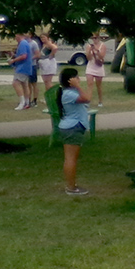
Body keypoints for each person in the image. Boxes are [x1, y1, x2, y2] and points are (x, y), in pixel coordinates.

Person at [57, 67, 92, 195]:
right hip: (72, 128)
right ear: (70, 80)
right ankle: (71, 187)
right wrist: (78, 87)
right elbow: (86, 99)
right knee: (70, 159)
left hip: (73, 127)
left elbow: (87, 98)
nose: (79, 79)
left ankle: (72, 185)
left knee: (71, 159)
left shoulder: (71, 92)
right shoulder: (69, 93)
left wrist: (88, 85)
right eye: (76, 77)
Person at [7, 32, 33, 110]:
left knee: (15, 83)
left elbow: (24, 56)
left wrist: (13, 60)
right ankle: (27, 103)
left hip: (22, 67)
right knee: (25, 85)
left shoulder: (22, 44)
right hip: (26, 67)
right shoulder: (25, 43)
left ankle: (22, 103)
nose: (15, 37)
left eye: (16, 35)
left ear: (19, 35)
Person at [85, 33, 107, 107]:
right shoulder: (89, 46)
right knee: (90, 84)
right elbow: (88, 58)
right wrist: (90, 51)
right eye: (93, 38)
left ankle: (100, 101)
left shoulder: (102, 46)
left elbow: (102, 57)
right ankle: (88, 101)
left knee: (99, 85)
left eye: (96, 38)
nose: (94, 40)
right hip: (91, 66)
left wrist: (97, 51)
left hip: (98, 66)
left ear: (99, 38)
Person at [27, 32, 41, 107]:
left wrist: (30, 59)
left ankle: (35, 100)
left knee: (34, 84)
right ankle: (28, 100)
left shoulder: (33, 43)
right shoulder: (24, 43)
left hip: (32, 65)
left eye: (27, 33)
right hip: (26, 66)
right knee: (27, 83)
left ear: (30, 35)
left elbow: (37, 54)